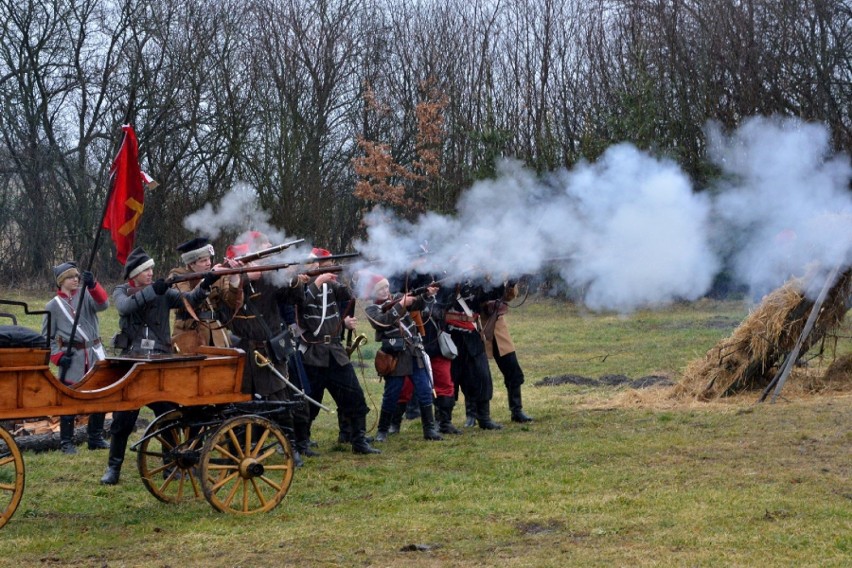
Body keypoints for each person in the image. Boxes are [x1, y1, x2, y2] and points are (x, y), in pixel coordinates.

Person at [100, 247, 218, 485]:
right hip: (134, 361)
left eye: (152, 269)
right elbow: (125, 307)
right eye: (146, 271)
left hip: (161, 361)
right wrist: (154, 290)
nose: (151, 273)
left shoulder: (164, 292)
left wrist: (207, 282)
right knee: (123, 420)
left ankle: (169, 465)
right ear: (135, 274)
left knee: (169, 416)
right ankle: (113, 468)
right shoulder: (122, 290)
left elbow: (191, 301)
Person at [221, 233, 312, 466]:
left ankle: (290, 447)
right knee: (240, 404)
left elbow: (294, 298)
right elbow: (226, 300)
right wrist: (242, 276)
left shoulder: (271, 277)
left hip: (268, 350)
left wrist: (292, 278)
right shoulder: (228, 277)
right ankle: (236, 451)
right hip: (241, 350)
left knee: (279, 400)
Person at [297, 252, 379, 455]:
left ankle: (358, 440)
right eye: (316, 264)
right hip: (312, 354)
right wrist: (318, 282)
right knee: (309, 402)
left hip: (334, 352)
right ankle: (302, 442)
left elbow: (349, 295)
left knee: (354, 396)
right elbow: (302, 302)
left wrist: (354, 278)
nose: (325, 267)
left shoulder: (330, 285)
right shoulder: (298, 287)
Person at [363, 273, 442, 442]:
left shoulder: (399, 297)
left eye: (385, 287)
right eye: (380, 289)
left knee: (424, 390)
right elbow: (382, 322)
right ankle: (382, 431)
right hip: (395, 356)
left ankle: (429, 429)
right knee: (392, 394)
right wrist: (400, 305)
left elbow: (418, 304)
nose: (385, 290)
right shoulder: (372, 309)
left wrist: (428, 294)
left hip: (413, 351)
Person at [42, 262, 111, 453]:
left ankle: (95, 438)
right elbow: (46, 338)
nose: (75, 279)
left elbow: (104, 304)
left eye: (77, 277)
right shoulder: (53, 306)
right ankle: (67, 442)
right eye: (71, 277)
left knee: (100, 395)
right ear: (61, 281)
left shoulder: (86, 294)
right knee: (69, 400)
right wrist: (57, 357)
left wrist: (93, 285)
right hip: (72, 359)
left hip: (94, 354)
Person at [442, 278, 503, 430]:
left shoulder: (477, 279)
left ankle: (484, 418)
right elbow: (440, 301)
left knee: (482, 377)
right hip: (451, 335)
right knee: (449, 379)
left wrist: (501, 280)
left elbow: (493, 294)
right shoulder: (446, 277)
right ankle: (443, 420)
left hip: (471, 334)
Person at [168, 237, 235, 353]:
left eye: (209, 259)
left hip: (217, 334)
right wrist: (206, 281)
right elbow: (186, 301)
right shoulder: (177, 275)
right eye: (203, 261)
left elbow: (232, 301)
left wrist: (235, 277)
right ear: (191, 264)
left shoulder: (217, 274)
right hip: (189, 335)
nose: (209, 263)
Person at [481, 280, 533, 423]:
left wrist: (510, 285)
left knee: (513, 371)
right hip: (478, 326)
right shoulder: (472, 274)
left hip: (498, 326)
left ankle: (516, 410)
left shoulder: (499, 272)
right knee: (477, 375)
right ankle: (472, 414)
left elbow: (510, 297)